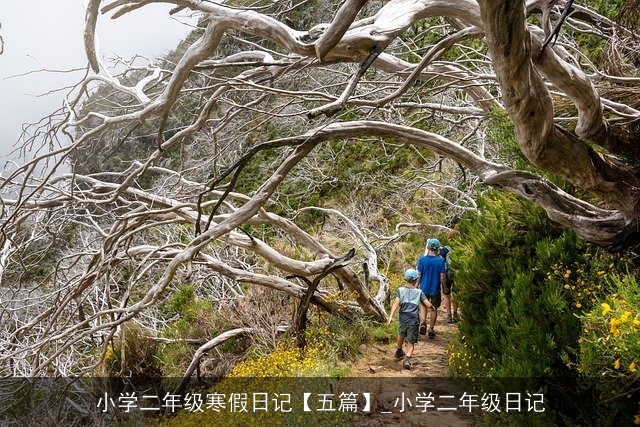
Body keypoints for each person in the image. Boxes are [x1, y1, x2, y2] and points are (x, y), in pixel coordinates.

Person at [387, 268, 435, 369]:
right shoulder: (419, 292)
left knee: (401, 334)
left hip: (403, 318)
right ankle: (407, 359)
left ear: (405, 279)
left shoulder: (400, 290)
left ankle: (399, 350)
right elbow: (427, 304)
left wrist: (391, 316)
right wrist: (432, 308)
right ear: (416, 280)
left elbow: (396, 303)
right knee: (411, 341)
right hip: (413, 320)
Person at [417, 238, 447, 339]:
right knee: (433, 309)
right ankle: (431, 329)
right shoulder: (440, 261)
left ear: (428, 247)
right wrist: (445, 287)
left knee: (423, 306)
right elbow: (442, 276)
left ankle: (423, 322)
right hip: (435, 289)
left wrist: (416, 285)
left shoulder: (422, 260)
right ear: (438, 248)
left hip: (424, 288)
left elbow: (419, 275)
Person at [439, 245, 459, 323]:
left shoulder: (445, 250)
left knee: (446, 295)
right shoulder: (460, 247)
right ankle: (455, 314)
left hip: (446, 275)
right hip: (457, 275)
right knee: (456, 295)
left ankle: (449, 315)